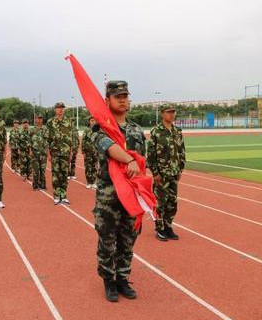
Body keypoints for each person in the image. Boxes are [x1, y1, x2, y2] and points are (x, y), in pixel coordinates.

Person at [92, 80, 146, 302]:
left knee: (128, 239)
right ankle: (108, 280)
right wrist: (130, 159)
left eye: (125, 95)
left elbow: (143, 162)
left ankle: (123, 278)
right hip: (109, 196)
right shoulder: (100, 128)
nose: (123, 99)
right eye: (118, 96)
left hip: (132, 196)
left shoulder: (136, 130)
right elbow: (111, 148)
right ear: (107, 101)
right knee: (108, 240)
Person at [147, 104, 186, 241]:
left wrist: (180, 168)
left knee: (172, 202)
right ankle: (160, 228)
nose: (171, 114)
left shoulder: (177, 131)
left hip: (174, 172)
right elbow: (151, 154)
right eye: (169, 112)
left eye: (173, 112)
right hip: (162, 174)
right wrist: (155, 172)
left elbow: (181, 151)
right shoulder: (156, 131)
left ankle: (168, 226)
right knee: (160, 203)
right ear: (163, 114)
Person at [46, 102, 73, 205]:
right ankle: (57, 196)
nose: (61, 110)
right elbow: (47, 139)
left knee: (64, 174)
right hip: (55, 152)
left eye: (62, 108)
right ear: (55, 110)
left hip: (66, 152)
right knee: (56, 174)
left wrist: (70, 152)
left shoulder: (69, 122)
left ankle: (64, 195)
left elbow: (71, 138)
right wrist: (48, 153)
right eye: (58, 108)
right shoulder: (50, 122)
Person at [31, 114, 48, 190]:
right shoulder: (32, 129)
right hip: (34, 152)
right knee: (36, 170)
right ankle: (35, 185)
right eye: (38, 118)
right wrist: (30, 150)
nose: (39, 120)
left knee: (43, 170)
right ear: (35, 120)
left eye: (41, 118)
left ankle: (43, 185)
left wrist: (48, 151)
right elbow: (29, 141)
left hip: (43, 153)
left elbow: (48, 141)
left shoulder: (46, 129)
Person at [81, 117, 98, 189]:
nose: (93, 122)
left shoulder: (97, 130)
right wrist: (83, 151)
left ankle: (93, 182)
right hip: (88, 151)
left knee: (94, 167)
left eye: (94, 120)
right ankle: (89, 182)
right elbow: (83, 140)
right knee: (88, 167)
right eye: (92, 120)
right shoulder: (86, 130)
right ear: (89, 122)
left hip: (95, 151)